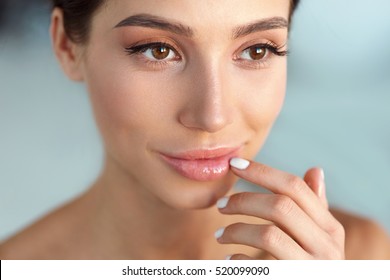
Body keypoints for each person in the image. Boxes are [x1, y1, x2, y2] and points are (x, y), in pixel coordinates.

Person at [0, 0, 389, 260]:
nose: (212, 116)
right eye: (157, 50)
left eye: (257, 50)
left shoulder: (359, 253)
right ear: (67, 46)